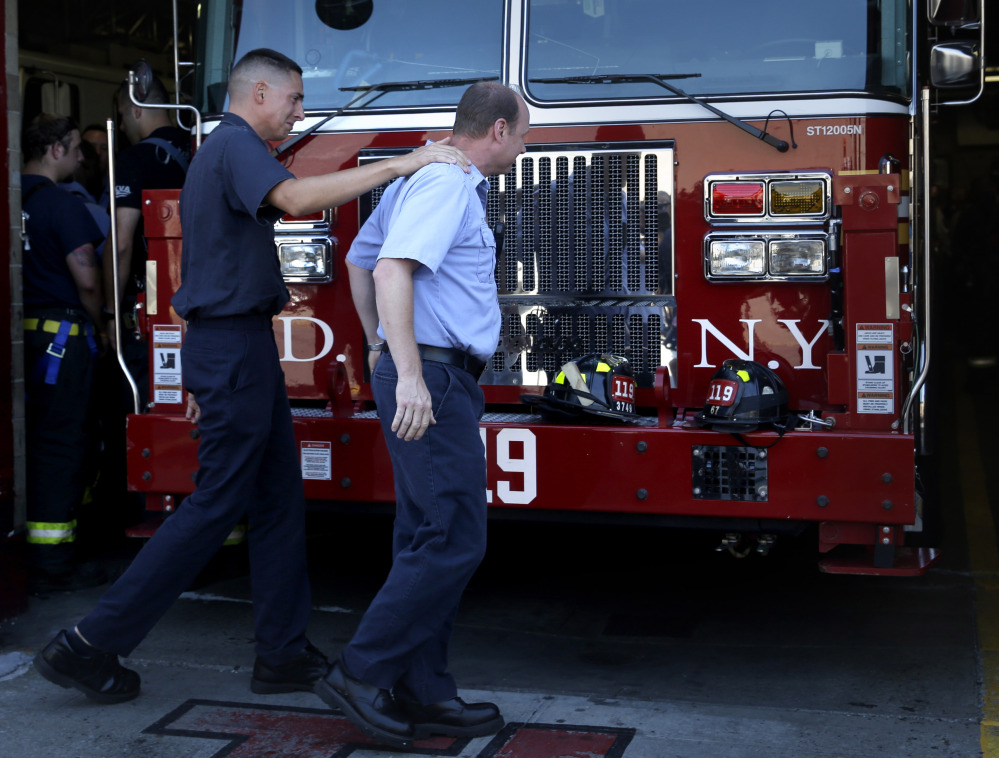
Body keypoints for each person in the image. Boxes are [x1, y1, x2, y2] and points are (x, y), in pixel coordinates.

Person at [33, 48, 470, 705]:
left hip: (240, 350)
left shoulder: (228, 152)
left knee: (275, 500)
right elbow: (294, 198)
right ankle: (89, 644)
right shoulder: (234, 145)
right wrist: (406, 161)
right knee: (216, 503)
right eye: (294, 99)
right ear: (258, 92)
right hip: (232, 350)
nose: (300, 112)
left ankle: (283, 654)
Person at [314, 81, 529, 750]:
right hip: (432, 376)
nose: (524, 147)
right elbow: (388, 271)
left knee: (425, 536)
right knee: (452, 536)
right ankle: (360, 673)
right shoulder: (446, 185)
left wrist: (380, 344)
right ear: (496, 131)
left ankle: (423, 689)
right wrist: (404, 370)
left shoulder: (421, 179)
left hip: (429, 370)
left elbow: (357, 257)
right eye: (522, 134)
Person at [21, 114, 108, 594]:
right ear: (55, 149)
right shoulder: (61, 204)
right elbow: (90, 280)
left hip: (23, 339)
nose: (81, 158)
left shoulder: (12, 198)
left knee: (33, 442)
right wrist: (103, 324)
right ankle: (54, 564)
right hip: (62, 341)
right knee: (61, 444)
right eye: (75, 148)